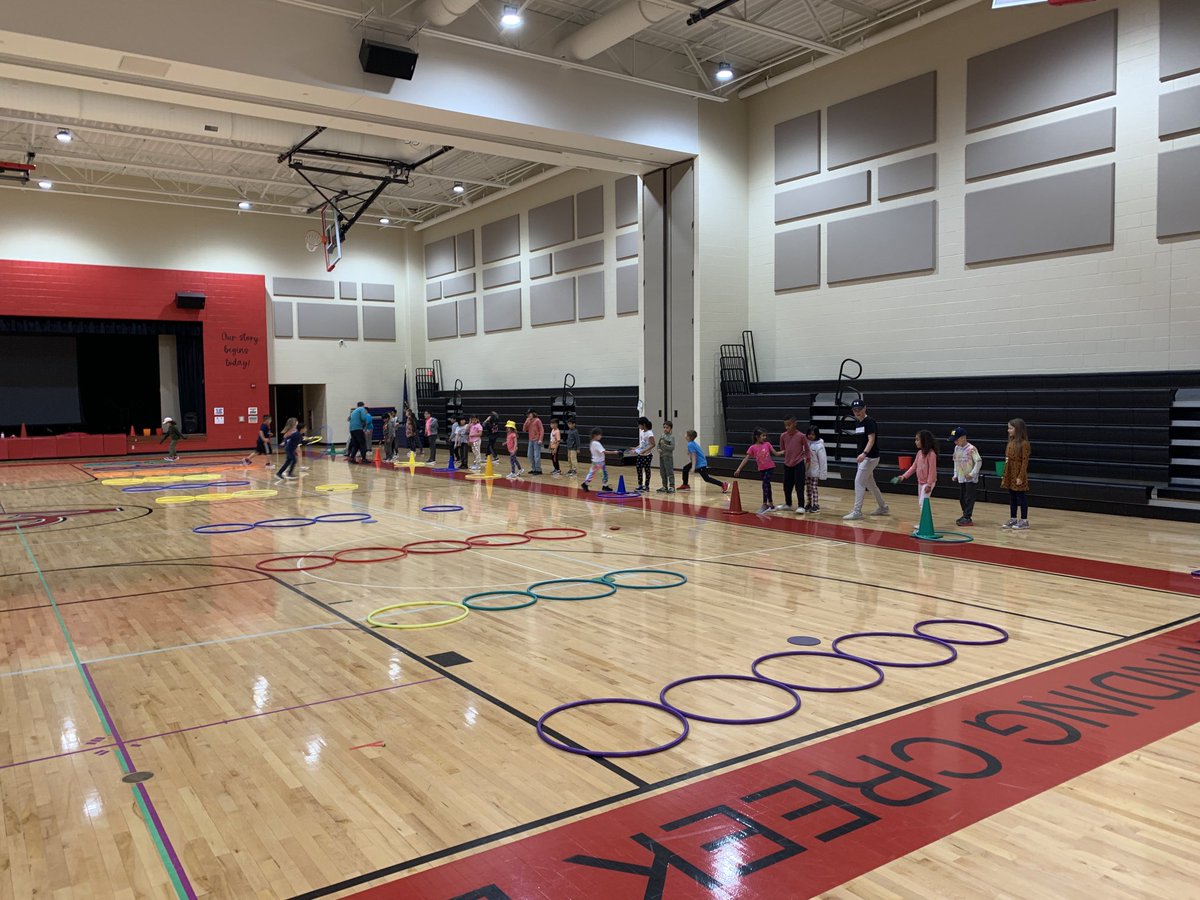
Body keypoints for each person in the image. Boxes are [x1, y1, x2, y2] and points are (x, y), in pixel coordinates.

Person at [844, 399, 889, 521]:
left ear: (865, 408)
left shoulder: (869, 422)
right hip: (864, 457)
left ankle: (857, 511)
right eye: (854, 410)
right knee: (871, 484)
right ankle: (883, 506)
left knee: (858, 482)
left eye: (859, 409)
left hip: (870, 457)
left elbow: (871, 440)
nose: (857, 412)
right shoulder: (858, 423)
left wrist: (864, 453)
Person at [893, 430, 938, 529]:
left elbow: (932, 471)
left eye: (917, 439)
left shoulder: (931, 454)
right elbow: (913, 467)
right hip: (921, 482)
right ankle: (924, 523)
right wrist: (903, 476)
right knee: (921, 503)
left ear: (924, 441)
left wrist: (929, 485)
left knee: (923, 503)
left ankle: (924, 524)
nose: (915, 442)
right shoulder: (919, 453)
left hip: (928, 483)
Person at [734, 428, 778, 514]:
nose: (765, 437)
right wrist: (739, 469)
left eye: (765, 435)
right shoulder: (753, 447)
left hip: (770, 467)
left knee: (765, 483)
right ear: (757, 437)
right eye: (763, 436)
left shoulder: (767, 444)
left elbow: (776, 453)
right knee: (767, 485)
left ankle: (765, 504)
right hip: (762, 469)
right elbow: (746, 459)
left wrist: (787, 451)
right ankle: (771, 505)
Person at [1002, 418, 1032, 529]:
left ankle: (1024, 520)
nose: (1008, 430)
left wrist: (1020, 476)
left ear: (1018, 429)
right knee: (1012, 497)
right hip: (1010, 472)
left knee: (1021, 497)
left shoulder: (1024, 444)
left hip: (1019, 473)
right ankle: (1013, 518)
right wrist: (1005, 473)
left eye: (1010, 428)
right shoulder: (1010, 443)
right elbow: (1007, 459)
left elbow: (1025, 462)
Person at [949, 426, 982, 527]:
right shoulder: (957, 448)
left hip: (970, 479)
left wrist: (972, 474)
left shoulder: (971, 449)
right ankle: (965, 515)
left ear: (963, 438)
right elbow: (956, 462)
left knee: (969, 498)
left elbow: (978, 461)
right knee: (962, 497)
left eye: (956, 440)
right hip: (961, 478)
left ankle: (967, 517)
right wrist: (955, 474)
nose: (955, 442)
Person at [777, 415, 809, 513]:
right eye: (785, 425)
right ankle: (788, 504)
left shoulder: (801, 436)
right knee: (787, 486)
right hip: (787, 464)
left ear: (795, 423)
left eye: (789, 425)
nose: (787, 427)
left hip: (798, 464)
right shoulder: (783, 436)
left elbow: (807, 450)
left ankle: (801, 506)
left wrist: (807, 460)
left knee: (799, 486)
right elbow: (782, 449)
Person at [805, 425, 827, 513]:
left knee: (814, 488)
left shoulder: (819, 446)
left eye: (813, 434)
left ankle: (816, 505)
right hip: (807, 470)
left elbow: (823, 460)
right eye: (809, 434)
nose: (811, 436)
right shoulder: (806, 443)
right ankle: (809, 503)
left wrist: (822, 473)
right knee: (808, 488)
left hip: (815, 471)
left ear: (816, 435)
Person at [632, 416, 656, 491]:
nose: (639, 426)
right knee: (638, 468)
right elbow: (642, 443)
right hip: (641, 454)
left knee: (647, 470)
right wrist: (636, 448)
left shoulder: (649, 433)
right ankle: (640, 484)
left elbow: (653, 444)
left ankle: (647, 485)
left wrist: (645, 451)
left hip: (647, 455)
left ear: (644, 425)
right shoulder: (642, 432)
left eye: (639, 425)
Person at [656, 420, 676, 492]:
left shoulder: (671, 437)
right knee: (662, 472)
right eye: (664, 427)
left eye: (667, 427)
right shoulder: (662, 436)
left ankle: (672, 486)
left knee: (669, 471)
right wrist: (658, 449)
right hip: (661, 456)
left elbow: (672, 447)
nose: (665, 429)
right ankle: (664, 486)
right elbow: (658, 444)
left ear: (670, 428)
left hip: (668, 457)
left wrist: (665, 445)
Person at [524, 410, 544, 475]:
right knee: (529, 455)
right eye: (528, 414)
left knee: (536, 455)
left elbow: (541, 430)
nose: (528, 415)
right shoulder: (528, 421)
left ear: (533, 414)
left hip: (537, 440)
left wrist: (540, 439)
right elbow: (524, 430)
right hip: (530, 440)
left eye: (529, 414)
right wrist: (526, 423)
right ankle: (533, 468)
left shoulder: (537, 420)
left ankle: (538, 470)